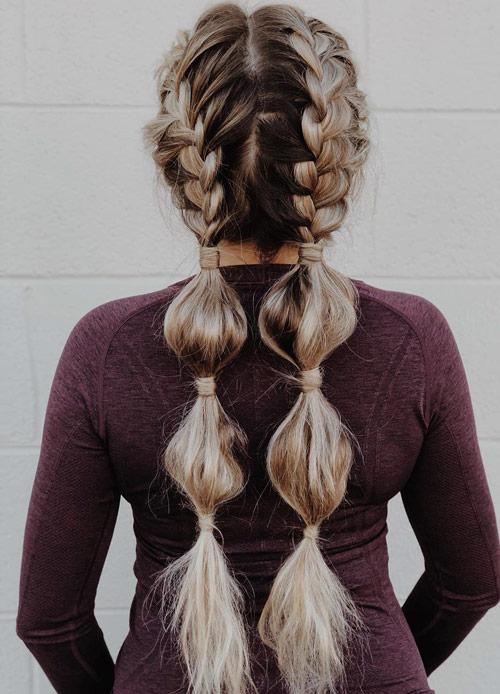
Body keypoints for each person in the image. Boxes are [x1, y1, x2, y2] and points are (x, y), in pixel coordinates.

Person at [15, 3, 500, 693]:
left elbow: (49, 622)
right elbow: (471, 582)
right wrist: (384, 667)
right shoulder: (410, 338)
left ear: (181, 168)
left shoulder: (107, 347)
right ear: (337, 163)